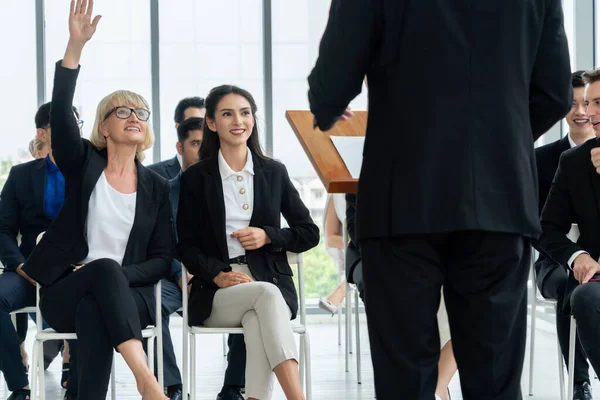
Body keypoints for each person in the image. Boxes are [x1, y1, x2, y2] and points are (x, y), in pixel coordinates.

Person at [307, 0, 572, 398]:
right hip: (499, 201)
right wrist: (498, 142)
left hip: (402, 199)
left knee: (405, 376)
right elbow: (554, 93)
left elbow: (332, 86)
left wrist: (327, 106)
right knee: (496, 379)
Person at [19, 2, 173, 399]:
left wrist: (119, 276)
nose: (134, 116)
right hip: (63, 290)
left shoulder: (156, 186)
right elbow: (61, 109)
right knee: (95, 285)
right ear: (103, 126)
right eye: (121, 111)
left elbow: (161, 256)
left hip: (126, 297)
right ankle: (146, 379)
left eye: (141, 111)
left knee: (99, 300)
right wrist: (75, 46)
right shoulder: (83, 162)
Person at [176, 84, 320, 400]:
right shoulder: (197, 178)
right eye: (227, 114)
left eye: (244, 112)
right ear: (211, 123)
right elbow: (184, 244)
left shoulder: (274, 172)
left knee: (259, 318)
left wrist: (269, 235)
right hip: (217, 292)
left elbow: (309, 232)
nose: (238, 120)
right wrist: (217, 274)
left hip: (270, 282)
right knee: (266, 299)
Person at [0, 102, 80, 399]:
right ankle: (18, 383)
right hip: (27, 269)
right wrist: (19, 265)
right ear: (41, 134)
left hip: (78, 269)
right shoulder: (21, 175)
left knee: (90, 297)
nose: (74, 131)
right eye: (64, 125)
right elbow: (3, 229)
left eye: (76, 124)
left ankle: (75, 370)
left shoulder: (90, 171)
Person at [533, 71, 594, 400]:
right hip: (555, 260)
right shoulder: (543, 159)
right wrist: (572, 253)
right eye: (573, 104)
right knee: (573, 284)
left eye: (588, 103)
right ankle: (579, 383)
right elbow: (535, 224)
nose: (582, 111)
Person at [148, 97, 205, 179]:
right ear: (178, 127)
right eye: (193, 122)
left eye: (205, 123)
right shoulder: (152, 174)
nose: (200, 128)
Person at [318, 194, 347, 314]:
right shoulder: (337, 194)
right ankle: (344, 287)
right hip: (357, 251)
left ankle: (343, 289)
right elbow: (331, 239)